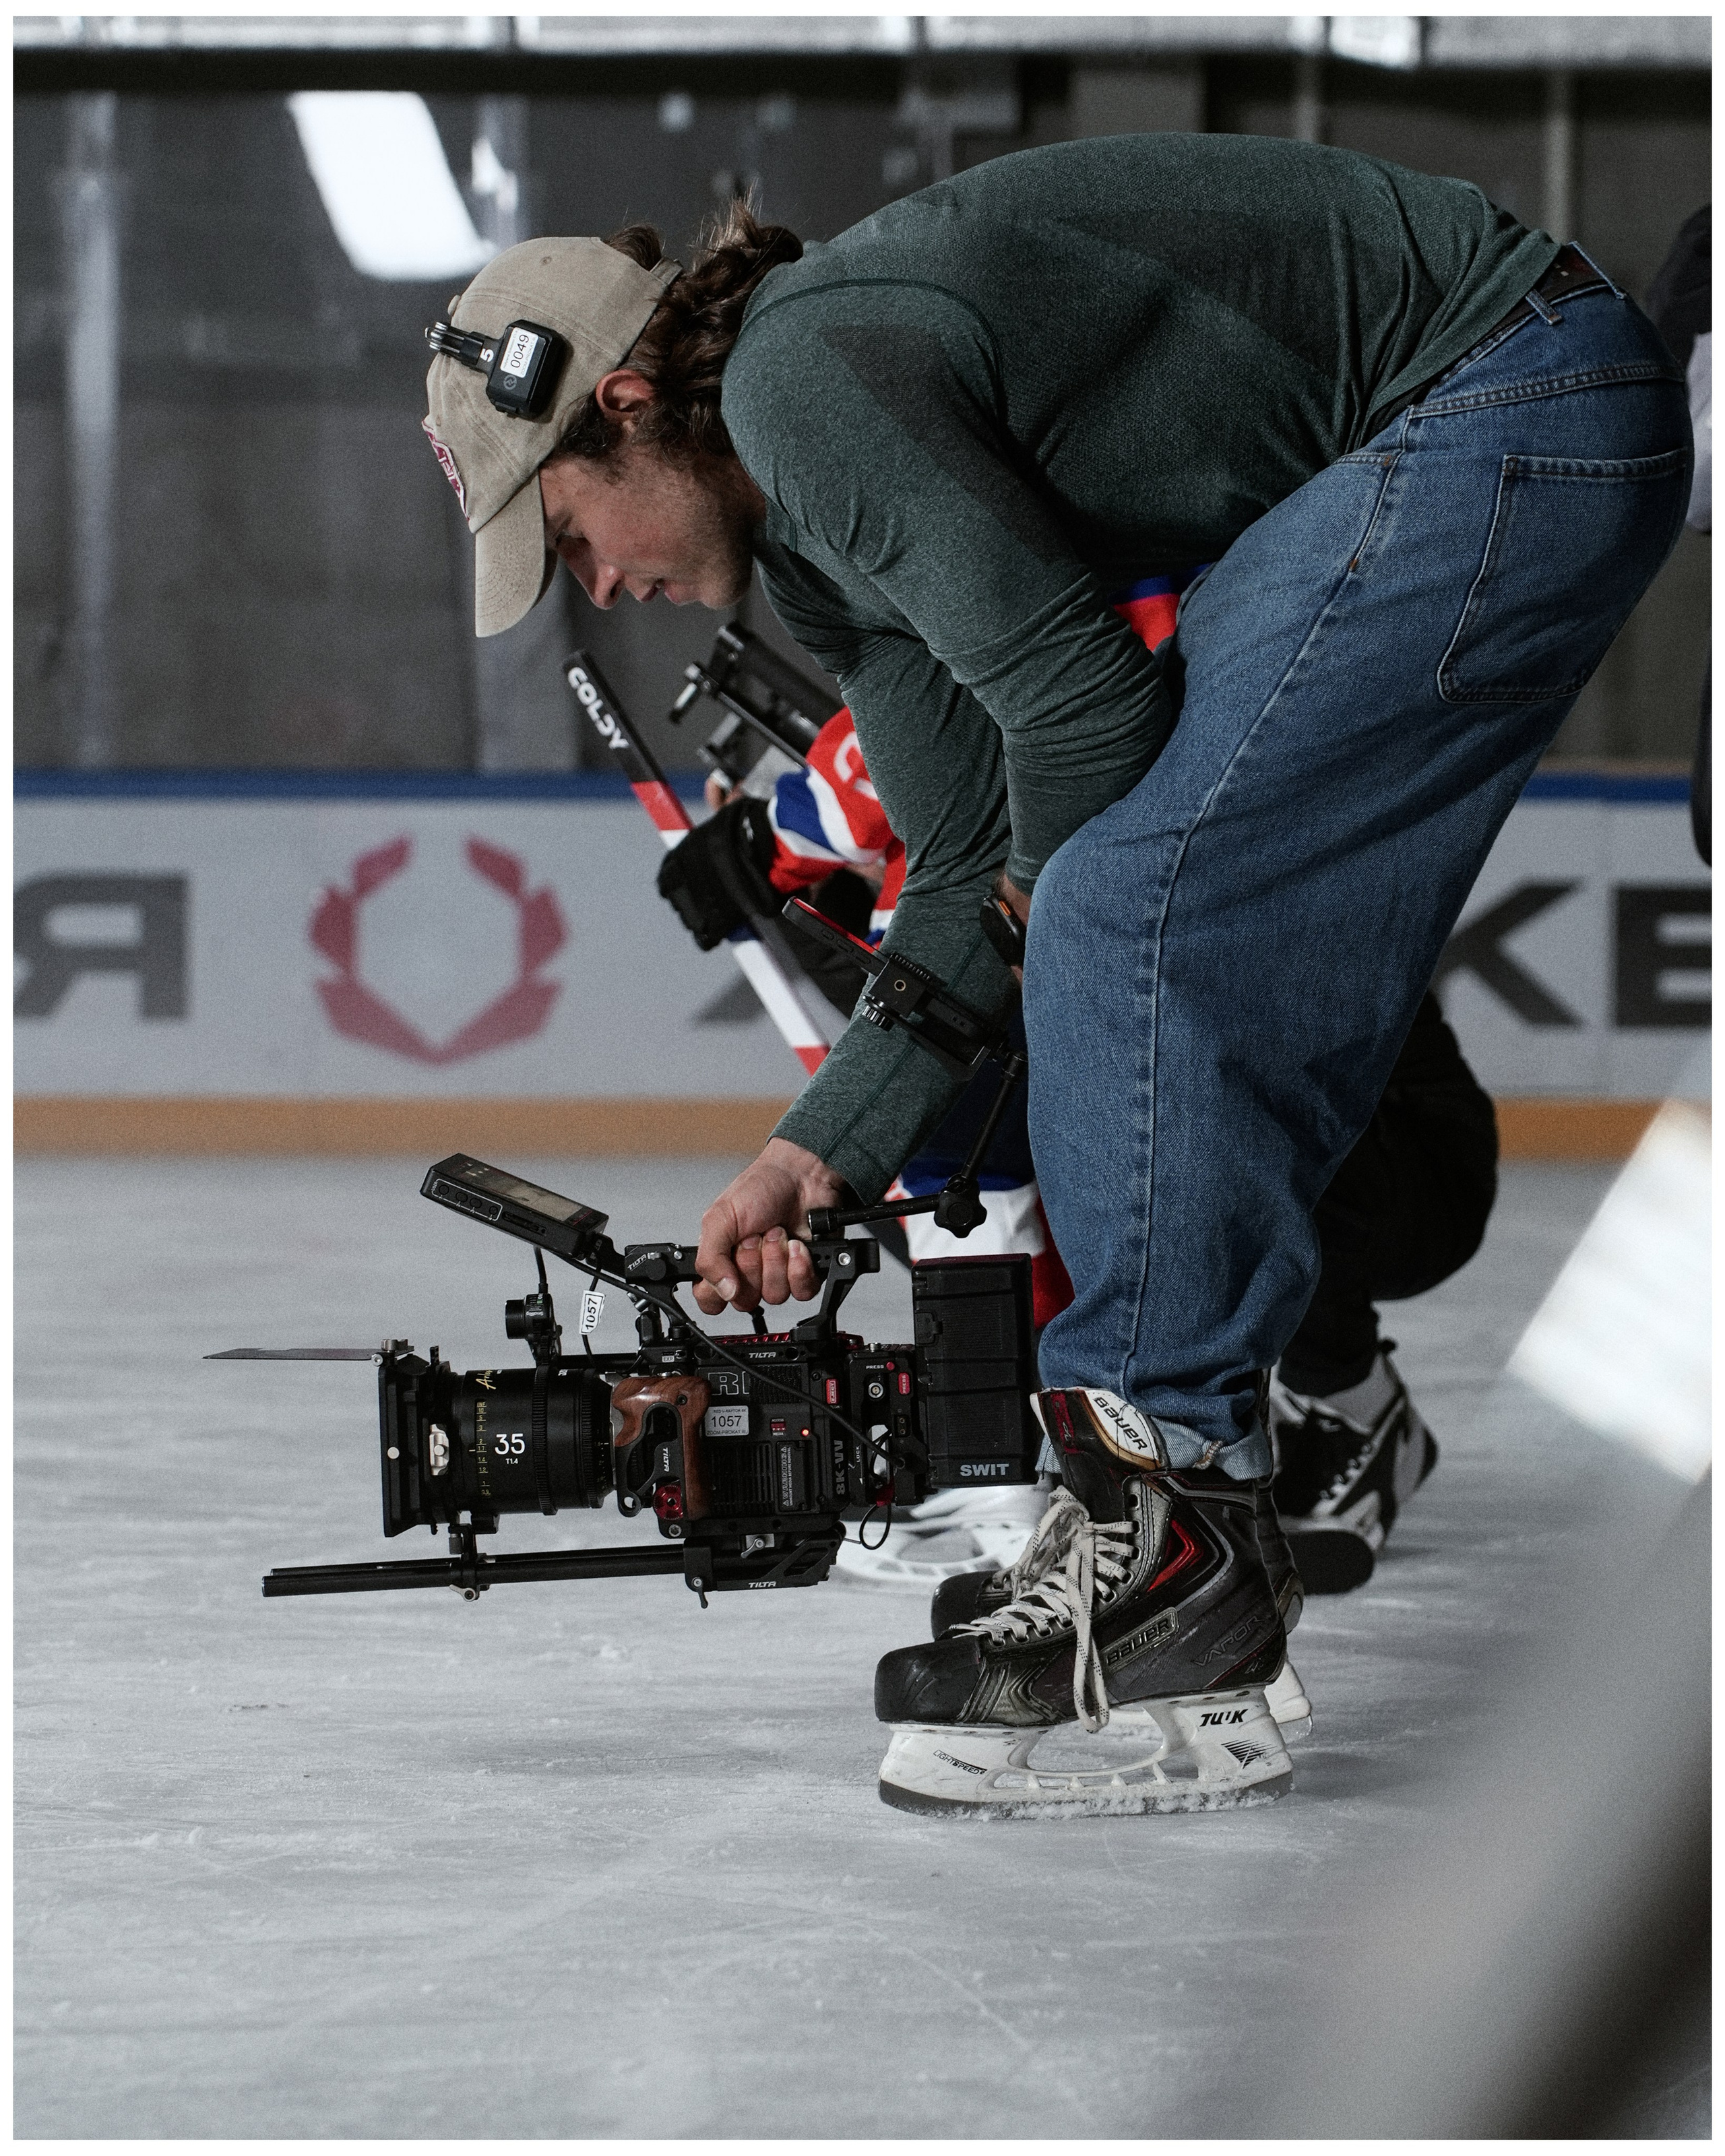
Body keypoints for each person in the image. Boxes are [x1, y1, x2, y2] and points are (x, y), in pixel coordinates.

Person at [422, 135, 1690, 1815]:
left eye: (568, 532)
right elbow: (955, 874)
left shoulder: (805, 377)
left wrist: (1045, 919)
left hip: (1502, 401)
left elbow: (1087, 723)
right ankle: (1186, 1516)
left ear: (633, 402)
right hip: (1476, 412)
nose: (597, 588)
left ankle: (1174, 1553)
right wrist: (818, 1148)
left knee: (1122, 905)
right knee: (1101, 898)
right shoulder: (812, 540)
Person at [661, 629, 1497, 1599]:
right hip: (1357, 1127)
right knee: (998, 1160)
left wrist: (774, 834)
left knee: (1100, 1141)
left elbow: (923, 756)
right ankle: (1161, 1443)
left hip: (1389, 1148)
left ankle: (1298, 1416)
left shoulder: (1085, 676)